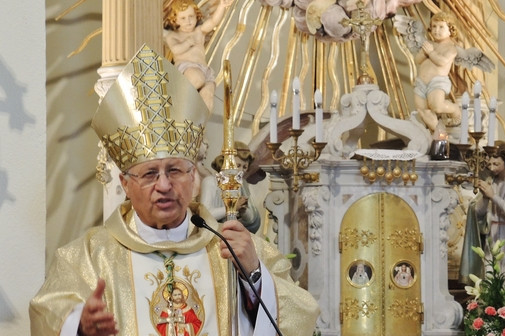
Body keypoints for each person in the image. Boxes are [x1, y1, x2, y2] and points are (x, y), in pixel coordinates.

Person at [29, 45, 320, 336]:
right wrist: (80, 327)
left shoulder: (234, 247)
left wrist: (254, 275)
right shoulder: (90, 257)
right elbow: (47, 313)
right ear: (126, 185)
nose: (165, 185)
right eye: (150, 174)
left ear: (194, 177)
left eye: (175, 171)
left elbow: (302, 314)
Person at [163, 0, 233, 112]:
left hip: (204, 70)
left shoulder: (199, 31)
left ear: (196, 15)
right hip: (186, 68)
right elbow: (175, 50)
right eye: (183, 18)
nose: (188, 21)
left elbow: (213, 21)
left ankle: (198, 125)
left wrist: (221, 6)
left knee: (208, 95)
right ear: (175, 20)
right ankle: (175, 101)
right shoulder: (174, 36)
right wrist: (188, 43)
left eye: (191, 16)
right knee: (197, 79)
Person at [475, 140, 505, 295]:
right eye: (489, 164)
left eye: (496, 163)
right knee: (490, 278)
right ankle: (491, 315)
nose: (492, 168)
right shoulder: (491, 181)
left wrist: (493, 197)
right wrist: (485, 197)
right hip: (492, 236)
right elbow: (478, 213)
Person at [413, 11, 462, 132]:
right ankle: (438, 134)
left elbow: (441, 61)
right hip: (421, 82)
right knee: (423, 111)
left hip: (437, 82)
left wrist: (430, 53)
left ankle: (455, 109)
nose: (436, 30)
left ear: (451, 29)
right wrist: (424, 53)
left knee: (437, 106)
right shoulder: (429, 44)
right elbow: (417, 60)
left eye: (441, 27)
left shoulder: (451, 48)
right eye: (434, 26)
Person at [200, 141, 262, 233]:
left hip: (235, 233)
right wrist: (232, 208)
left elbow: (250, 219)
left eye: (245, 167)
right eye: (238, 165)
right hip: (213, 234)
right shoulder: (211, 182)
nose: (241, 171)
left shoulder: (241, 184)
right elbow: (205, 215)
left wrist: (243, 210)